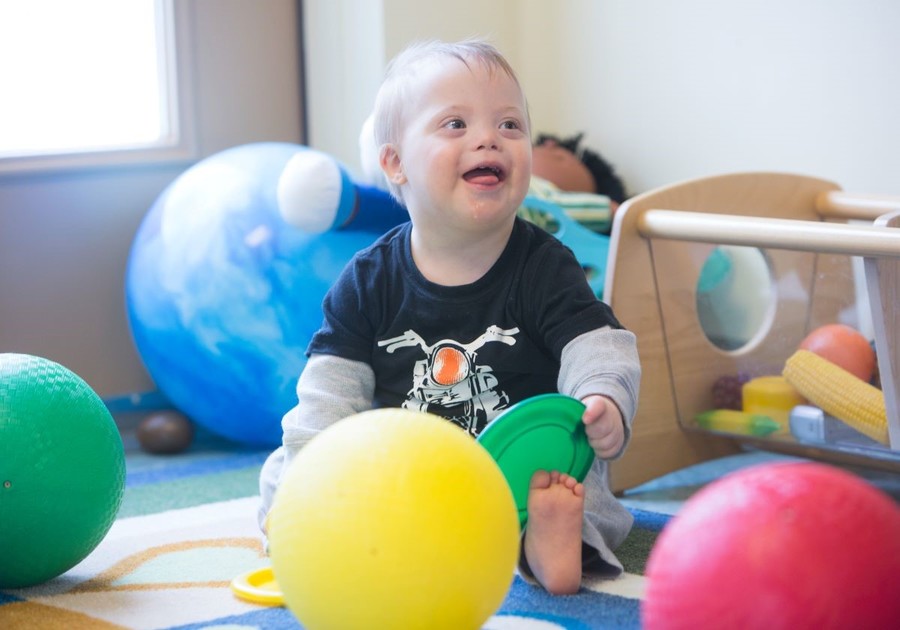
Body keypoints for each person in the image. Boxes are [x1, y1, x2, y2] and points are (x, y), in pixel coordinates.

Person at [258, 38, 641, 596]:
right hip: (406, 480)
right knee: (283, 466)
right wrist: (315, 484)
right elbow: (328, 394)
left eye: (510, 125)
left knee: (576, 486)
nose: (490, 138)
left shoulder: (544, 265)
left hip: (514, 475)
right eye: (455, 124)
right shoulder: (367, 280)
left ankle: (547, 541)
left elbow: (597, 344)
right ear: (394, 163)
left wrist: (603, 394)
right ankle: (346, 536)